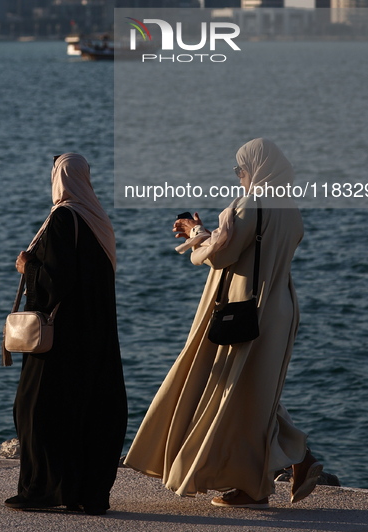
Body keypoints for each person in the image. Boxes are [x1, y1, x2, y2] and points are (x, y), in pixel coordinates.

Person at [124, 138, 322, 508]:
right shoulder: (289, 206)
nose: (240, 175)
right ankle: (300, 459)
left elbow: (221, 253)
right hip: (281, 307)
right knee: (254, 390)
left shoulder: (251, 204)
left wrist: (195, 234)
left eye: (241, 168)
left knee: (234, 390)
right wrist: (209, 234)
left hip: (247, 306)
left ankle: (252, 488)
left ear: (258, 167)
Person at [5, 153, 127, 515]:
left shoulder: (62, 218)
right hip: (96, 338)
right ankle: (85, 493)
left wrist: (28, 266)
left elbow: (54, 282)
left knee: (35, 408)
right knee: (88, 412)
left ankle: (41, 491)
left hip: (60, 341)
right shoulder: (99, 221)